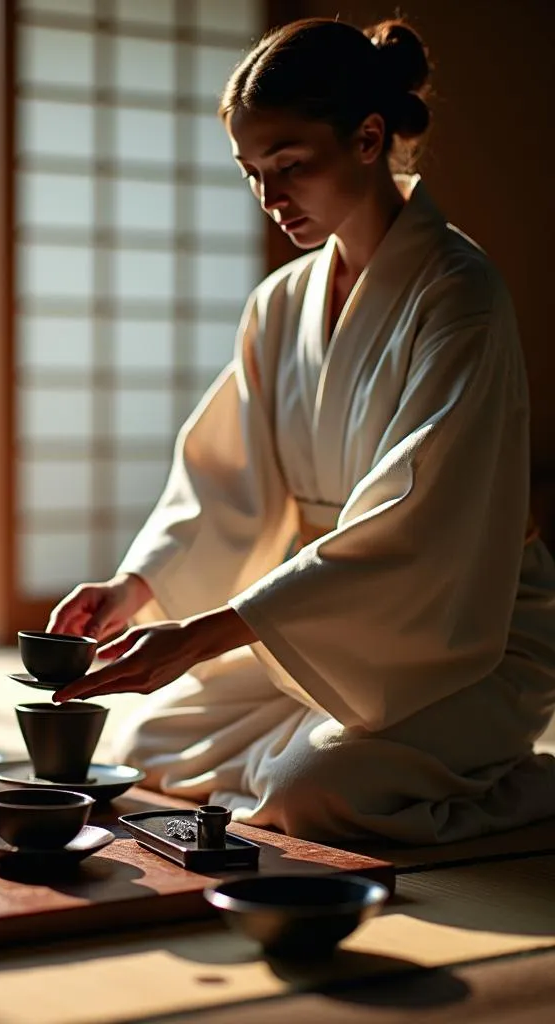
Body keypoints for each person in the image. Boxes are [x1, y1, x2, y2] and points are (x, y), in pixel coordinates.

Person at [48, 18, 555, 844]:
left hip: (465, 627)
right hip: (327, 618)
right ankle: (332, 749)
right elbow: (224, 482)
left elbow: (417, 524)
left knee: (309, 794)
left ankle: (526, 783)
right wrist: (136, 588)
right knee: (145, 745)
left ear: (367, 139)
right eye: (253, 173)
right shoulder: (281, 303)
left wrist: (204, 636)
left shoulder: (459, 292)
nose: (270, 198)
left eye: (289, 166)